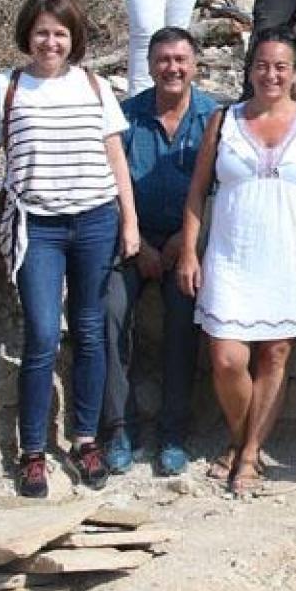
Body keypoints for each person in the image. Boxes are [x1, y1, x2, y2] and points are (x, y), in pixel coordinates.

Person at [0, 0, 141, 498]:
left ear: (75, 39)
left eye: (61, 33)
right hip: (37, 226)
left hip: (95, 220)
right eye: (42, 32)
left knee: (90, 332)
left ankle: (85, 439)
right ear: (27, 34)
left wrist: (129, 221)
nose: (51, 42)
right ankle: (31, 451)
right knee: (43, 334)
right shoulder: (5, 87)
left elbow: (115, 156)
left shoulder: (94, 86)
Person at [174, 27, 296, 493]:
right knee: (226, 358)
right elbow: (197, 191)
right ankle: (241, 435)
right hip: (233, 252)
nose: (271, 75)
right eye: (262, 65)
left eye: (281, 66)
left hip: (293, 252)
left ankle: (247, 453)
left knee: (275, 353)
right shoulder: (223, 121)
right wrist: (189, 251)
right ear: (249, 70)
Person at [100, 27, 218, 477]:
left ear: (195, 65)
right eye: (163, 60)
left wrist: (182, 243)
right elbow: (111, 185)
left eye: (180, 59)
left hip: (187, 240)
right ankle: (120, 429)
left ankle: (173, 432)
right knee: (109, 314)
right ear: (149, 66)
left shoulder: (212, 117)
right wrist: (141, 244)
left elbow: (215, 188)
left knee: (185, 317)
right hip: (131, 237)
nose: (172, 68)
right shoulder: (126, 117)